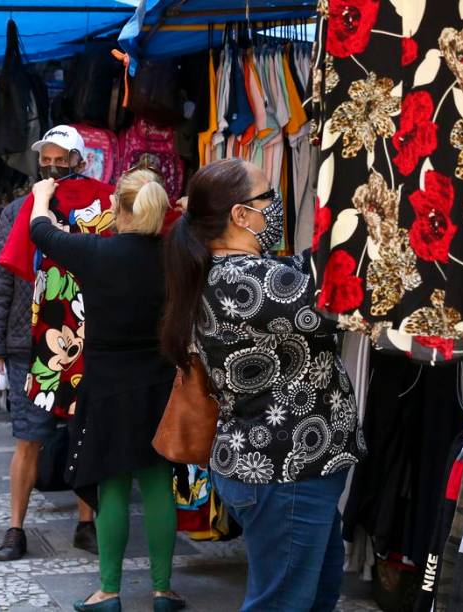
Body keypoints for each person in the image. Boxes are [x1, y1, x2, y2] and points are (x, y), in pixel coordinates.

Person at [159, 158, 365, 612]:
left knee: (312, 593)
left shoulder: (236, 272)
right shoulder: (249, 281)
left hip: (283, 465)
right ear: (239, 215)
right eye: (267, 197)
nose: (275, 206)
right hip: (284, 467)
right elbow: (343, 294)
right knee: (282, 602)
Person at [30, 169, 182, 612]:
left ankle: (109, 592)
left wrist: (42, 195)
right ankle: (162, 591)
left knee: (112, 483)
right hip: (158, 381)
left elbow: (41, 231)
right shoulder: (174, 253)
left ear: (117, 209)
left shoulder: (96, 252)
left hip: (107, 384)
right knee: (157, 484)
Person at [0, 128, 99, 563]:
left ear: (79, 163)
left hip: (82, 338)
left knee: (85, 433)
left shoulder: (94, 209)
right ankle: (15, 528)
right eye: (45, 159)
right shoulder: (18, 211)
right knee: (28, 437)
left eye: (60, 159)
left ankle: (87, 522)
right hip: (24, 342)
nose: (51, 167)